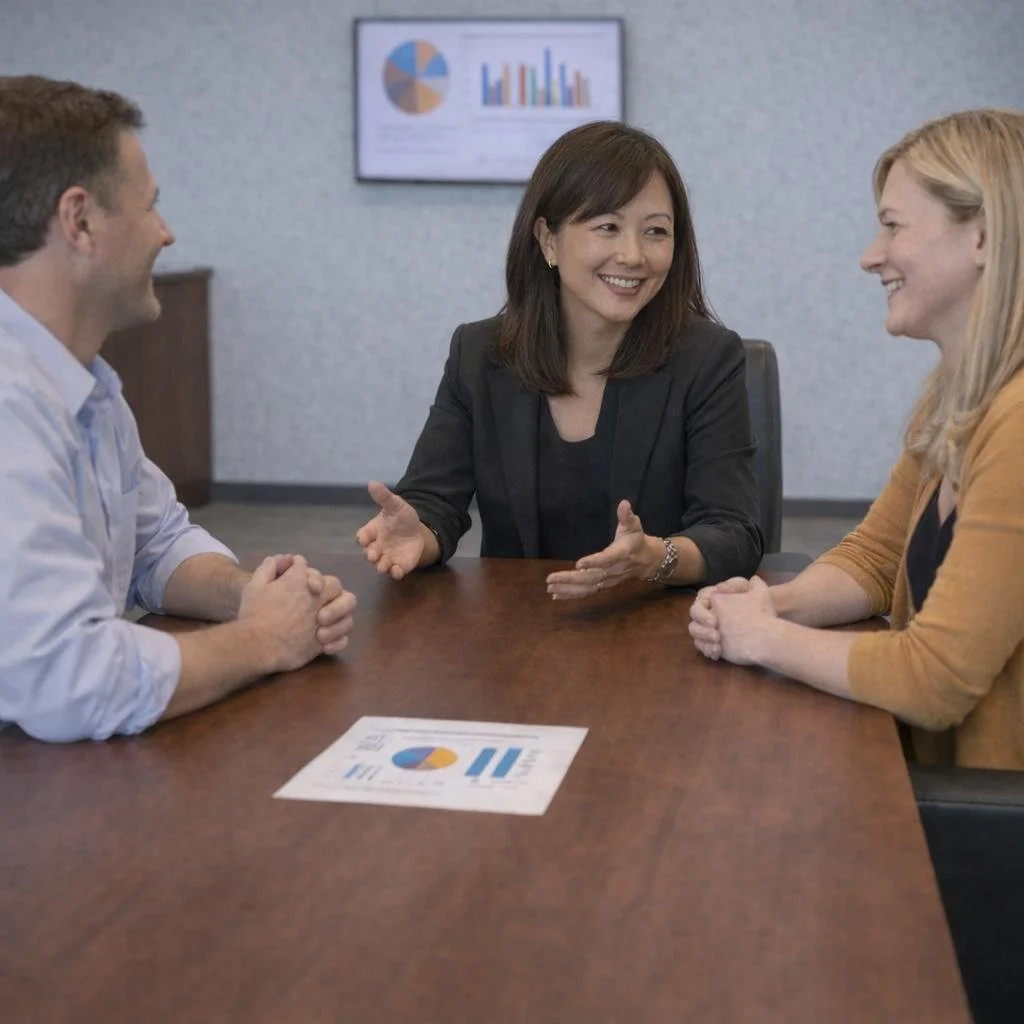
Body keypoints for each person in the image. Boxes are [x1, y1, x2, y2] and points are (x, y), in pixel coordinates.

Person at [0, 75, 357, 742]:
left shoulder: (85, 387)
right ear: (78, 221)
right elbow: (72, 680)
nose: (166, 234)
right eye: (150, 208)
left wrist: (251, 592)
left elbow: (155, 544)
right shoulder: (8, 404)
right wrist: (265, 637)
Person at [689, 108, 1024, 769]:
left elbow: (933, 681)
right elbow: (874, 558)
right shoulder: (955, 398)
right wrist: (768, 604)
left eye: (893, 225)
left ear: (982, 235)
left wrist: (764, 640)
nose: (870, 255)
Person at [357, 121, 762, 598]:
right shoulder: (480, 355)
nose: (633, 255)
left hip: (655, 626)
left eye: (655, 231)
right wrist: (418, 535)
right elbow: (433, 501)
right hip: (516, 631)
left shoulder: (707, 359)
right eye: (607, 227)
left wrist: (658, 557)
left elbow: (733, 531)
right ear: (548, 240)